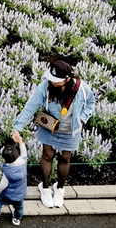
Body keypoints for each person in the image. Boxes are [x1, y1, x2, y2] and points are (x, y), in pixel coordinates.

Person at [11, 60, 96, 209]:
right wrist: (17, 127)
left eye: (56, 80)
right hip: (49, 127)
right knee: (47, 155)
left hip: (70, 130)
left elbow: (90, 103)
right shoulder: (45, 86)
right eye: (51, 78)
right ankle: (44, 187)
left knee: (65, 158)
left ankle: (60, 188)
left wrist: (82, 119)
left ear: (67, 79)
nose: (52, 82)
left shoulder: (81, 88)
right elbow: (31, 106)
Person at [0, 137, 27, 226]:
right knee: (19, 207)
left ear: (5, 159)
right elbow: (24, 152)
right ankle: (17, 219)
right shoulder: (23, 162)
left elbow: (3, 184)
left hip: (8, 195)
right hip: (20, 195)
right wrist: (21, 142)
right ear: (17, 154)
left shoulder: (8, 171)